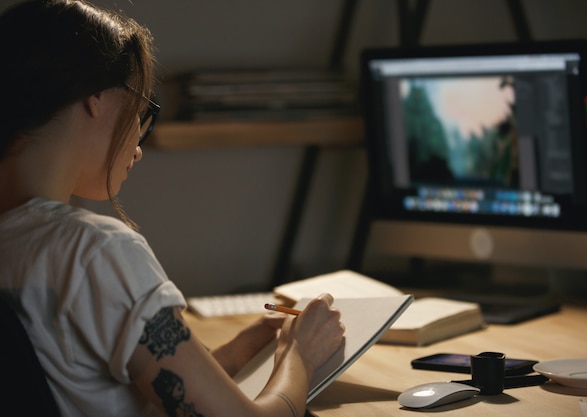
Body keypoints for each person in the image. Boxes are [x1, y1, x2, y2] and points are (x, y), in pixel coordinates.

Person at [0, 1, 345, 417]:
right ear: (97, 98)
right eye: (142, 108)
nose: (139, 148)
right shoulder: (92, 251)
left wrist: (232, 356)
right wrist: (299, 355)